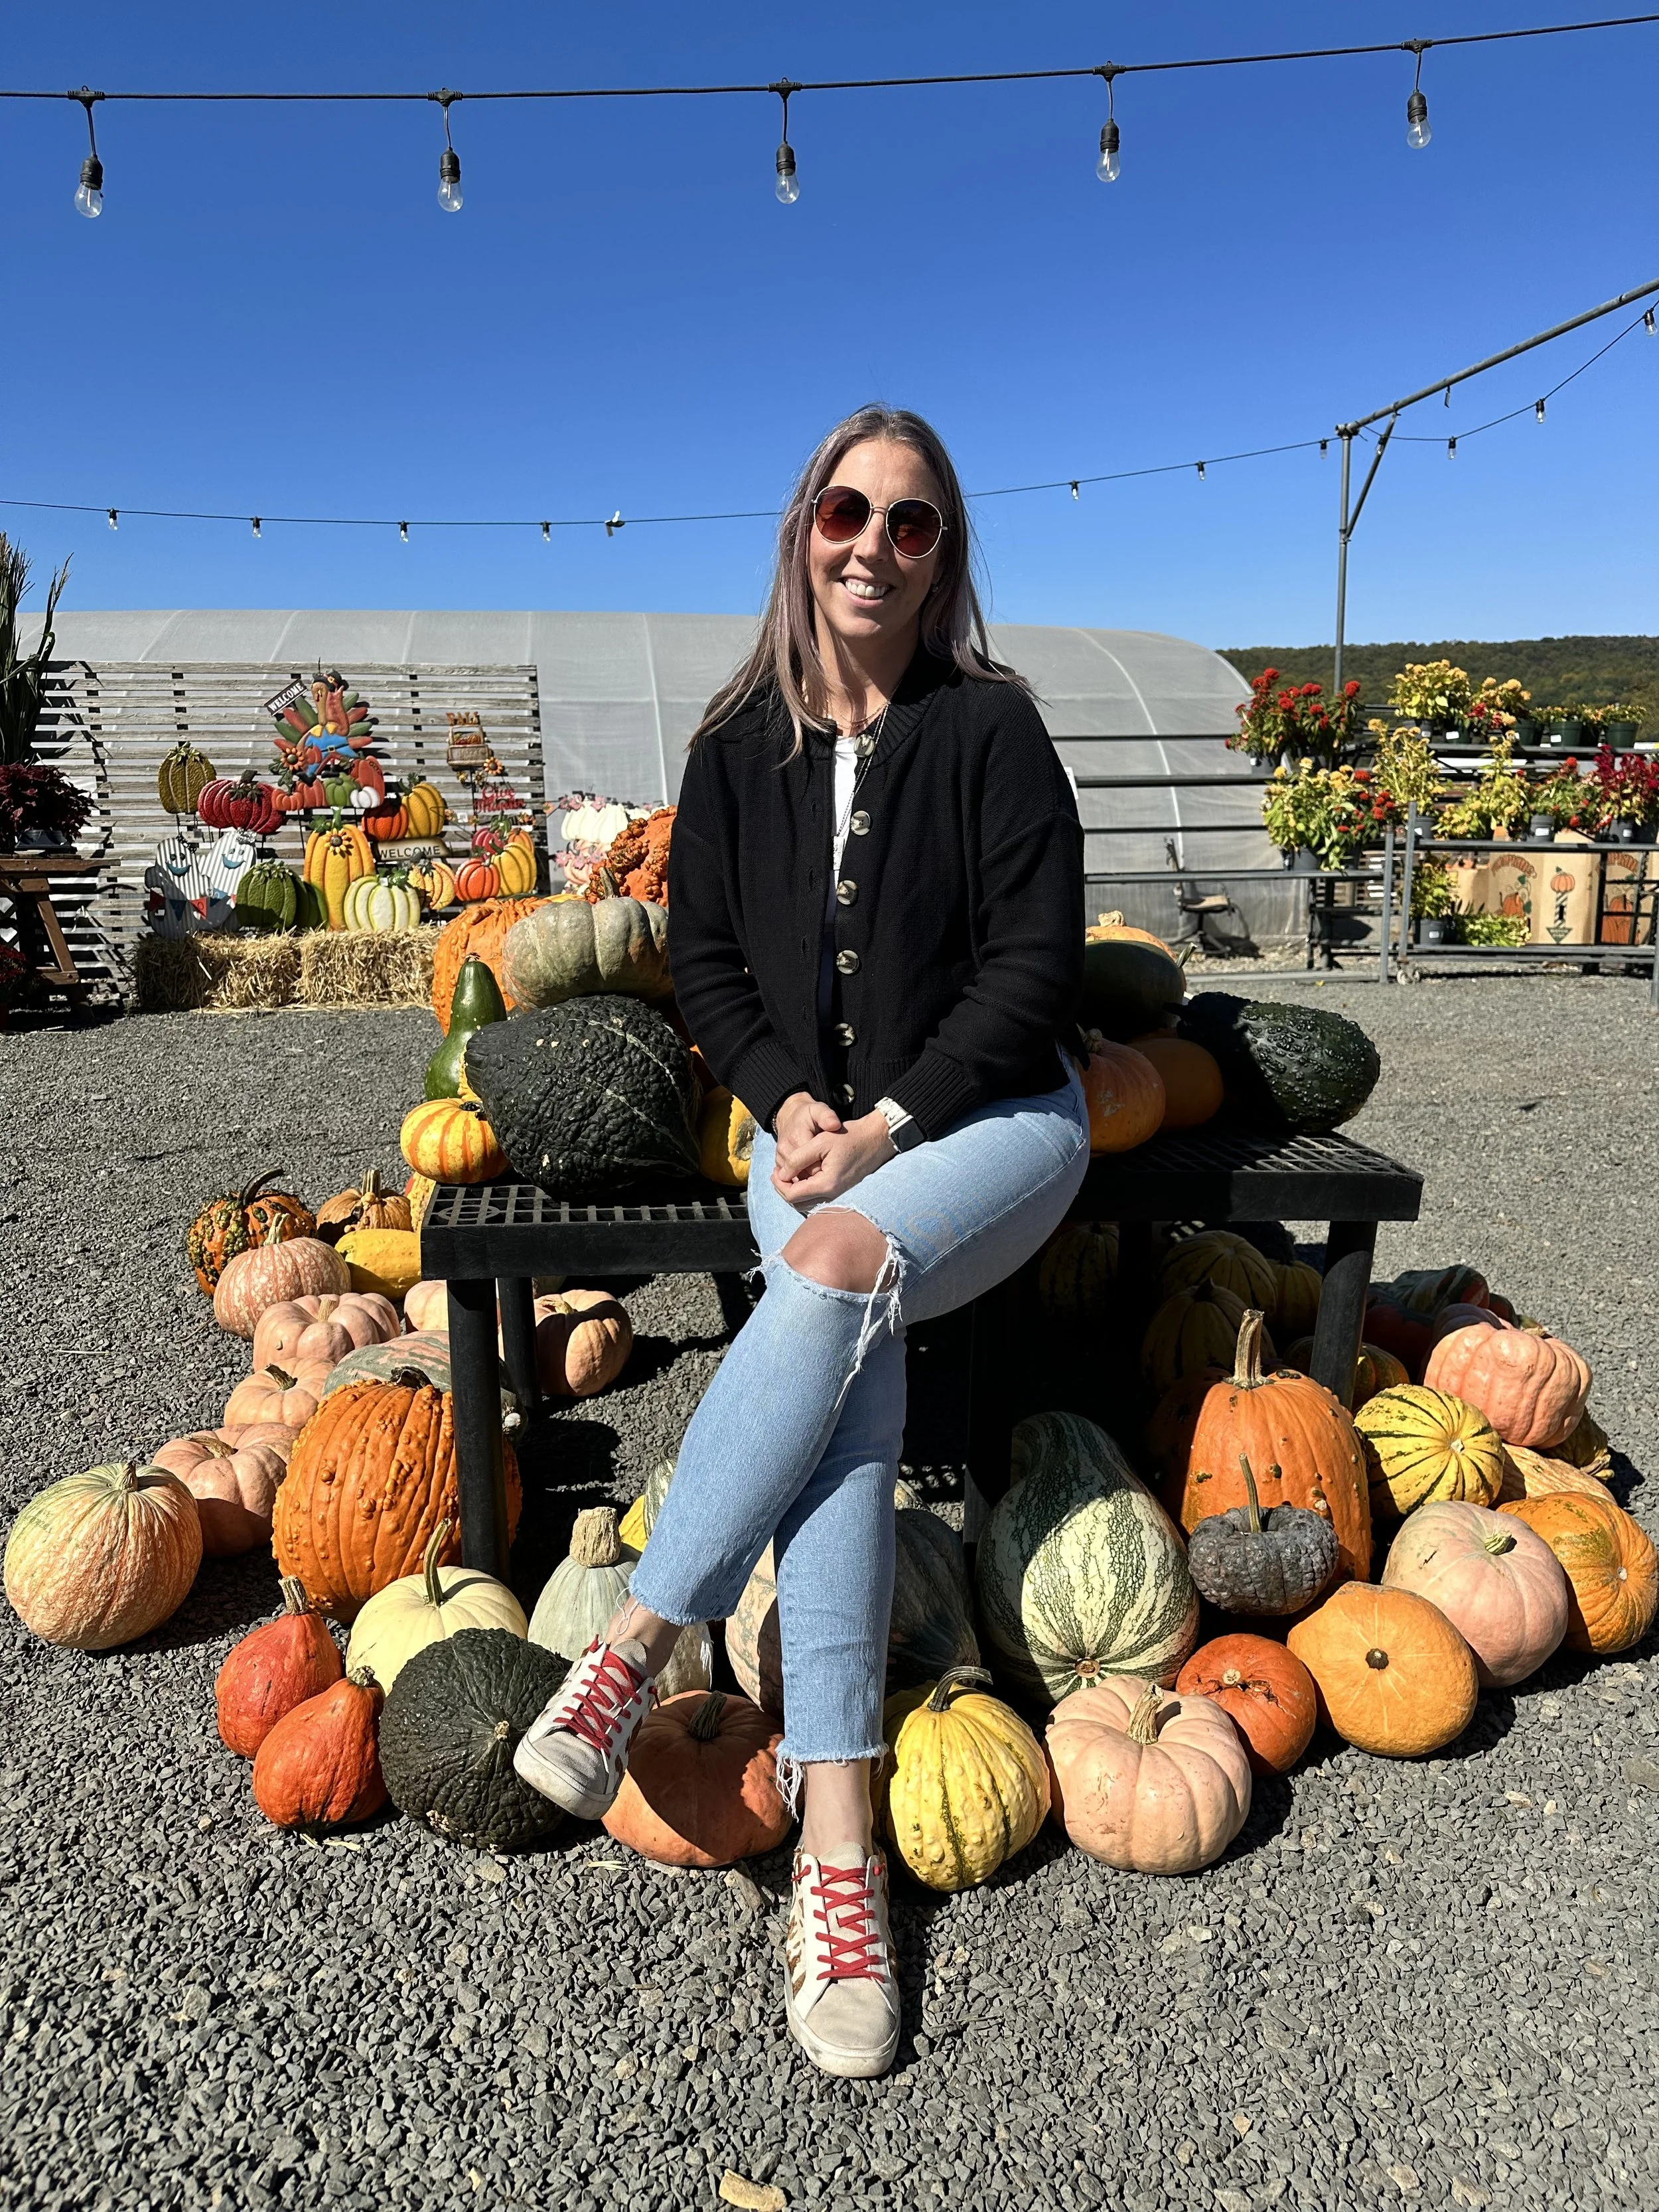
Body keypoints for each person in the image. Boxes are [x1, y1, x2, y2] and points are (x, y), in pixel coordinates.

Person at [516, 404, 1088, 2078]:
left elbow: (1033, 976)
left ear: (942, 557)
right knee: (849, 1400)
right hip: (804, 1137)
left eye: (912, 525)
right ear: (802, 527)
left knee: (839, 1269)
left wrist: (883, 1126)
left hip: (986, 1128)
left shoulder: (990, 730)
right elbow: (706, 972)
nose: (872, 546)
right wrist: (783, 1108)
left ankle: (634, 1643)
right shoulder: (728, 748)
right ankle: (837, 1846)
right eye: (849, 510)